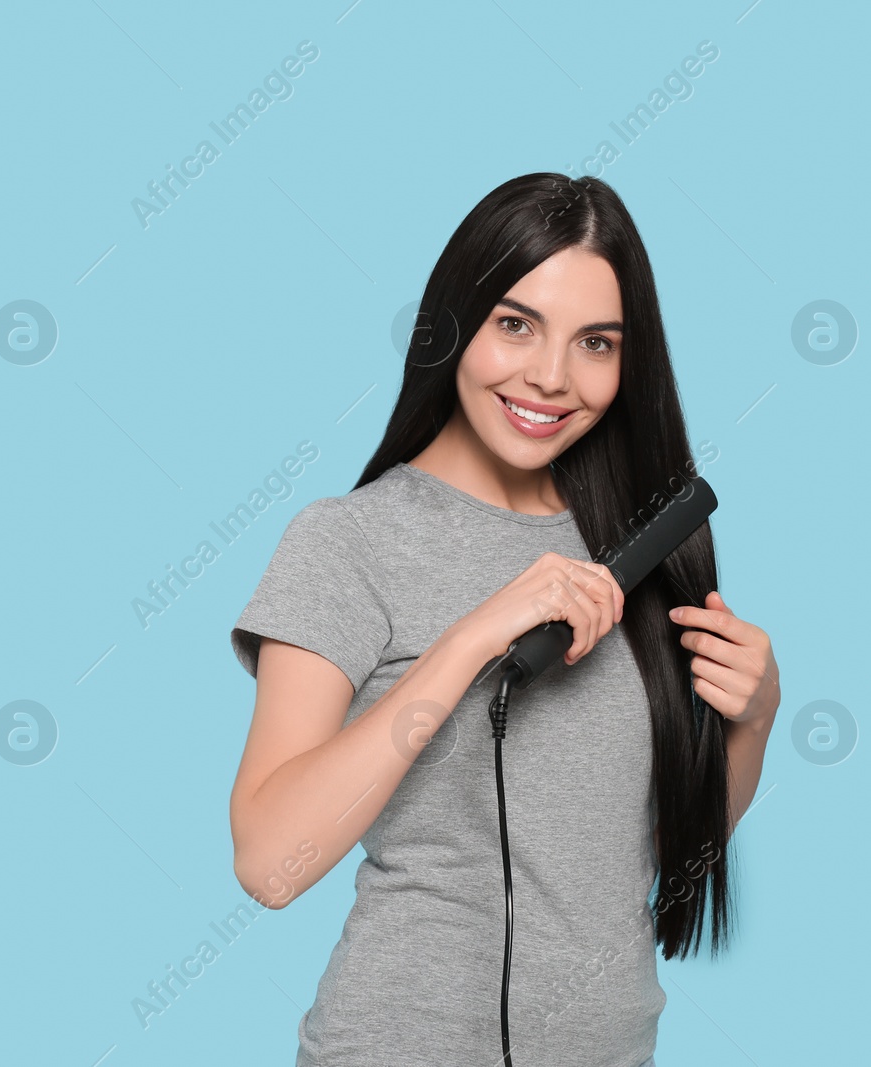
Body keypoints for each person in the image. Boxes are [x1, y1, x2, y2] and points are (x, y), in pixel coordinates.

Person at [226, 172, 782, 1067]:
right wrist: (471, 638)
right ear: (454, 325)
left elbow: (646, 853)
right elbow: (267, 861)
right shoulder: (349, 542)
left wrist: (752, 720)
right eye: (516, 324)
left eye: (596, 342)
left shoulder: (635, 546)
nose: (551, 377)